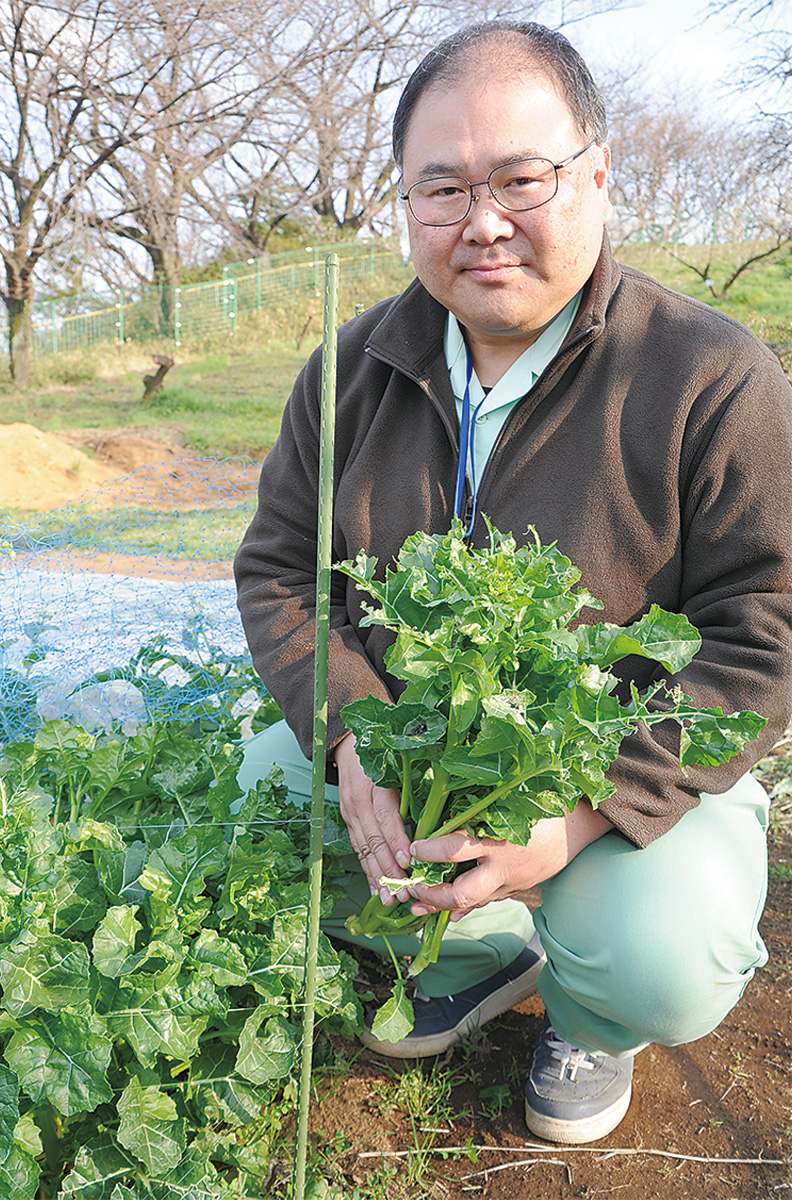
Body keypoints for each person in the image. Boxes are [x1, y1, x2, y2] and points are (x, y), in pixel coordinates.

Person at [234, 19, 792, 1145]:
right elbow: (282, 569)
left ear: (595, 175)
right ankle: (477, 950)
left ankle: (592, 1015)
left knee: (662, 956)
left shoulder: (709, 374)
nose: (481, 222)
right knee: (258, 792)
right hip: (409, 742)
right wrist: (355, 736)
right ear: (405, 203)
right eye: (441, 190)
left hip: (617, 761)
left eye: (520, 180)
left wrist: (578, 814)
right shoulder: (349, 370)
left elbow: (769, 626)